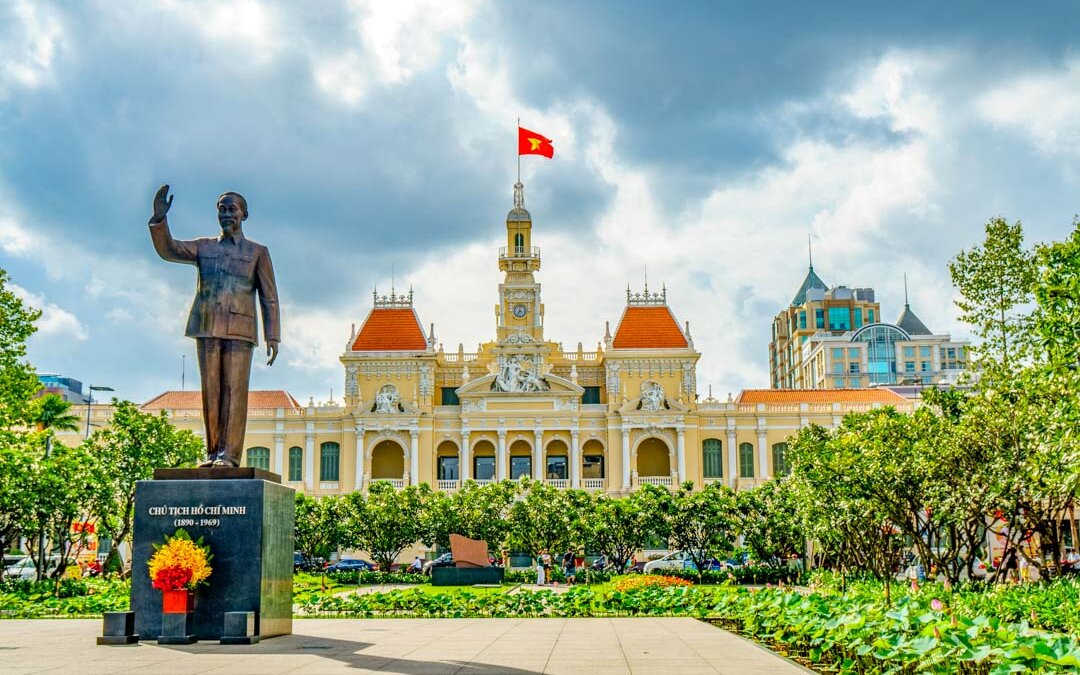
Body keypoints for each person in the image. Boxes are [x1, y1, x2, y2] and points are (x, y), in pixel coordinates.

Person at [148, 185, 281, 467]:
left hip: (240, 331)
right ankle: (212, 454)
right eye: (222, 208)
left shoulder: (258, 252)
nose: (226, 213)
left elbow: (269, 296)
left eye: (232, 209)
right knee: (211, 393)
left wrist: (273, 335)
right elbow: (169, 249)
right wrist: (160, 221)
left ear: (244, 214)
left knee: (235, 392)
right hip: (206, 326)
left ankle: (229, 456)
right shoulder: (203, 247)